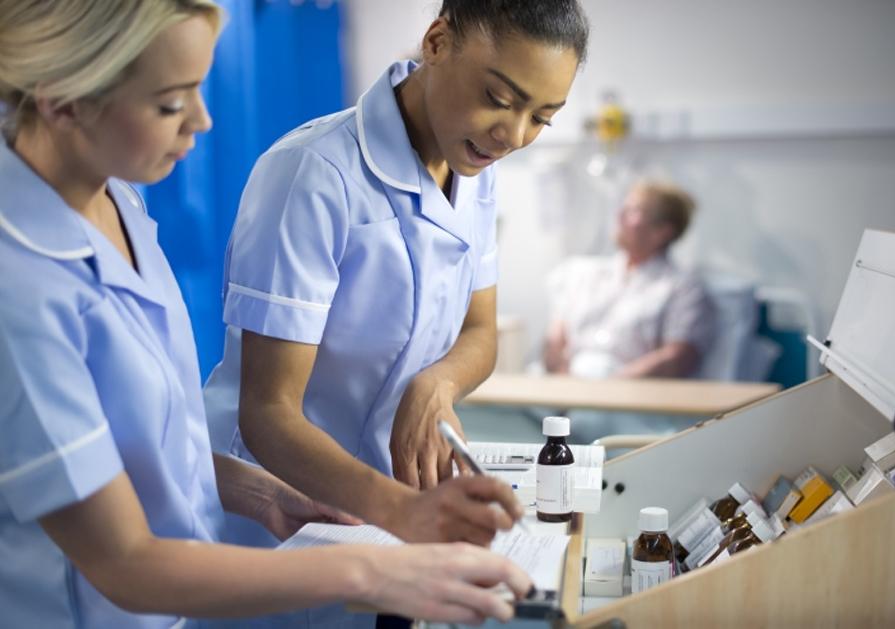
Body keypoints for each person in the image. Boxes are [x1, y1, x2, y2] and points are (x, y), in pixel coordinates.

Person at [0, 1, 530, 627]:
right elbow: (123, 564)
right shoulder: (19, 289)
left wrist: (256, 489)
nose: (202, 119)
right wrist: (379, 566)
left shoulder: (116, 200)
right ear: (62, 100)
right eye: (171, 102)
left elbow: (141, 441)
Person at [203, 0, 588, 546]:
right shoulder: (313, 174)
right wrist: (404, 512)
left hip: (385, 507)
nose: (514, 135)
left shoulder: (473, 168)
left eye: (542, 118)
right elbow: (269, 414)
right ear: (435, 43)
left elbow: (480, 332)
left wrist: (438, 384)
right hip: (281, 510)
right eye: (497, 99)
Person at [544, 181, 716, 380]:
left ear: (662, 231)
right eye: (623, 208)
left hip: (625, 393)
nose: (619, 216)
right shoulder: (585, 274)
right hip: (564, 385)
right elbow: (555, 338)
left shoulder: (681, 287)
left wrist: (611, 387)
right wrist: (561, 378)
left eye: (634, 211)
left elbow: (677, 357)